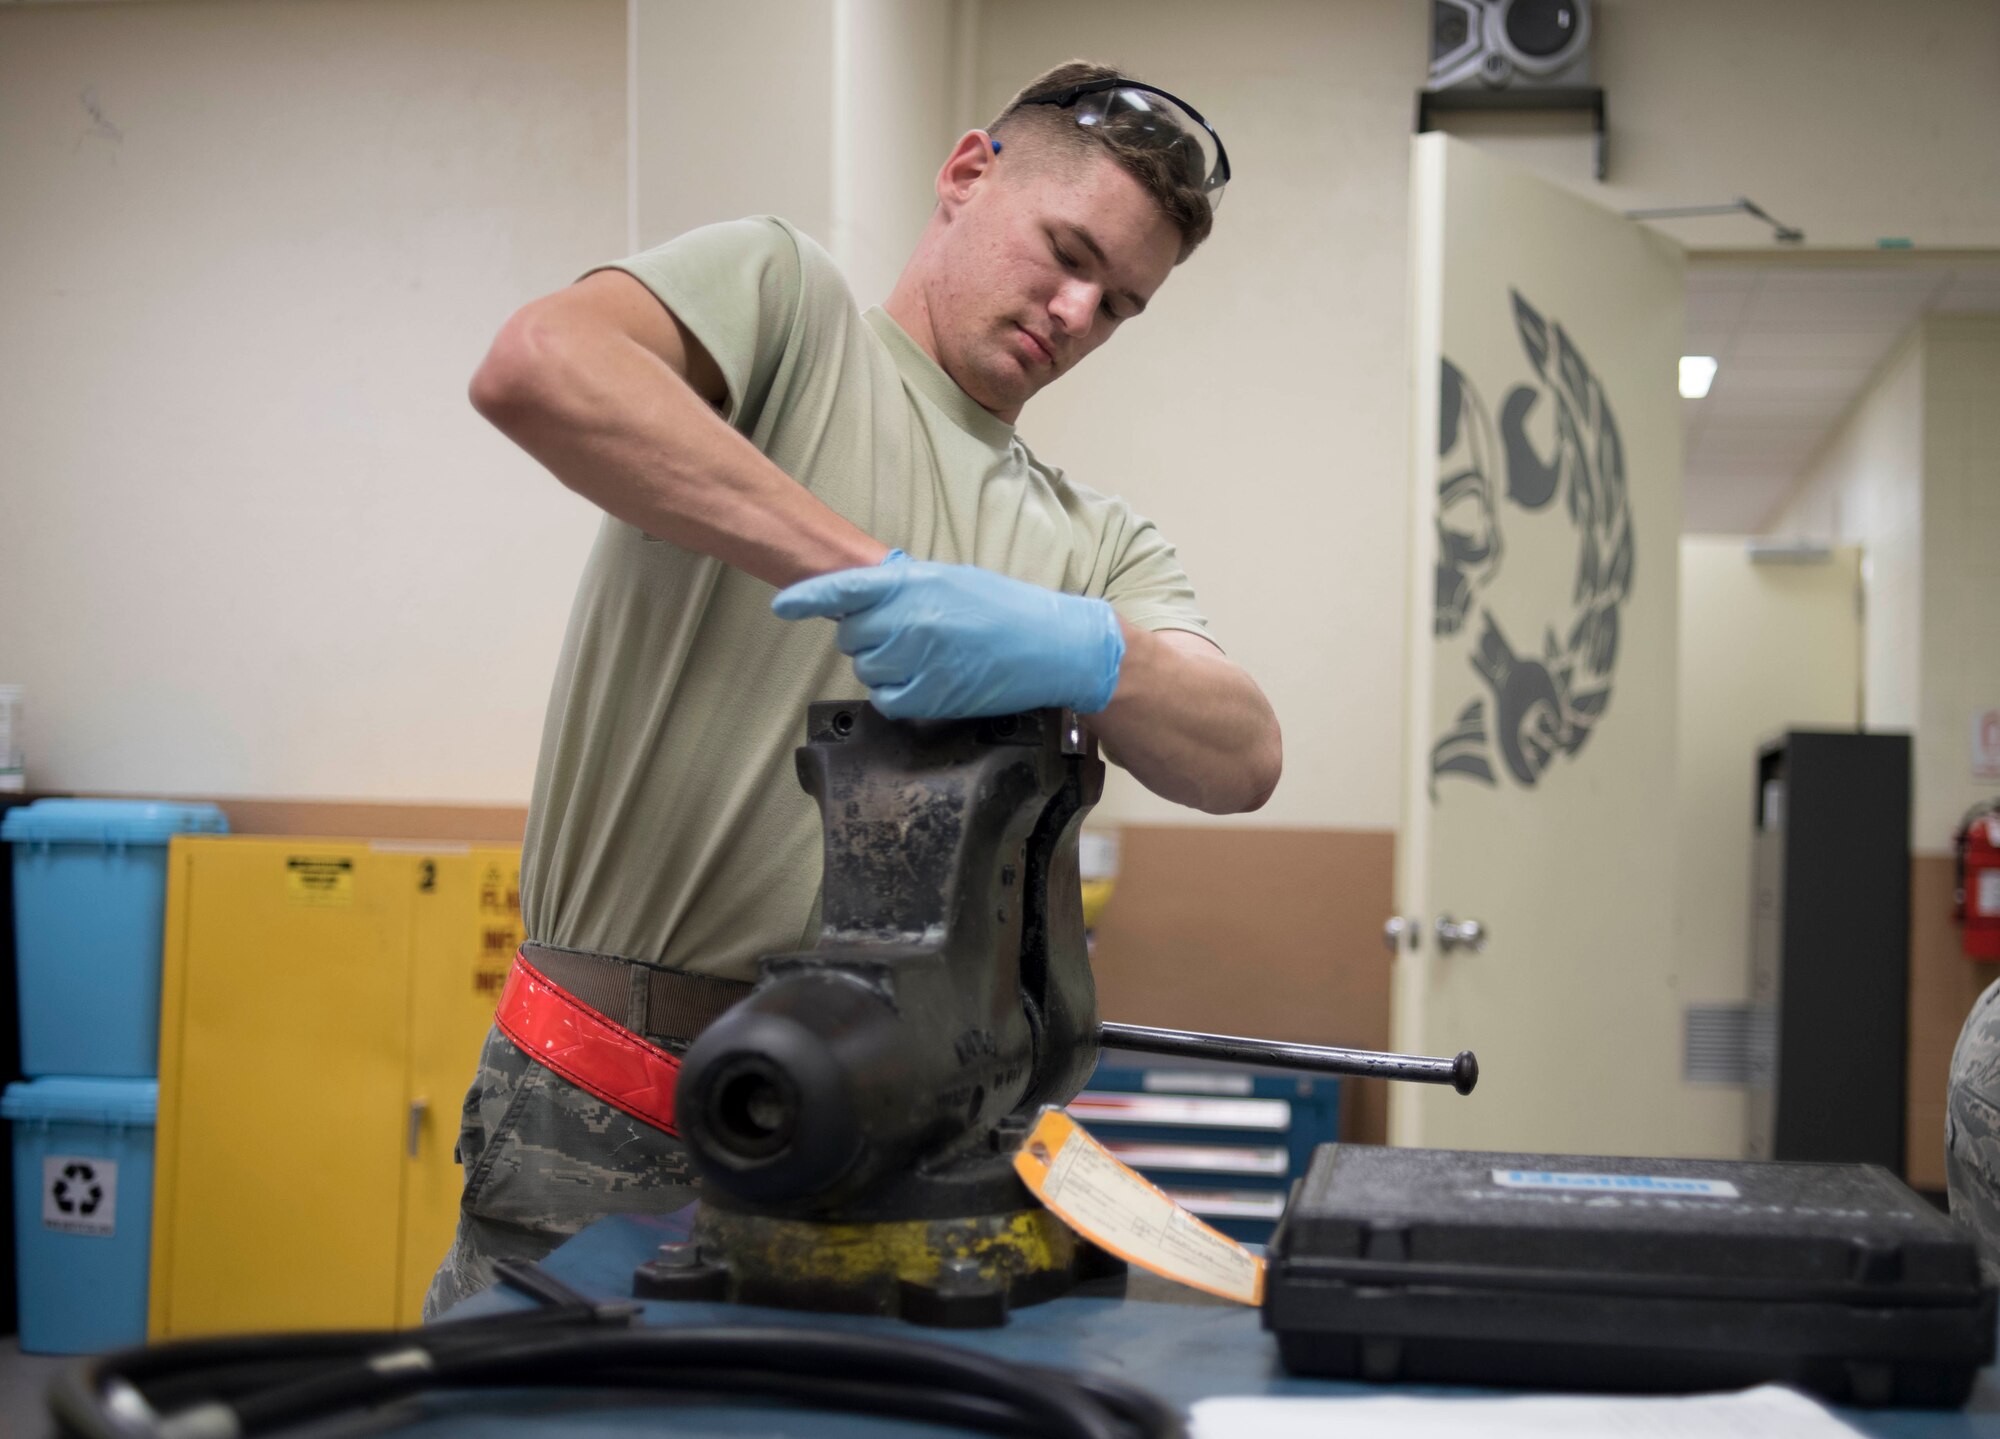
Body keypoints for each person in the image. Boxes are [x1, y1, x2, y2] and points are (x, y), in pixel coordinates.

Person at [424, 59, 1282, 1315]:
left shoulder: (1094, 545)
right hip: (608, 1112)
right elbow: (538, 367)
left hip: (903, 1152)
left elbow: (1240, 754)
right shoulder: (787, 310)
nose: (1074, 308)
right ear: (967, 174)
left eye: (1119, 304)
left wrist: (1087, 650)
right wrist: (873, 575)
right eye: (1064, 249)